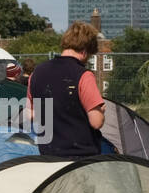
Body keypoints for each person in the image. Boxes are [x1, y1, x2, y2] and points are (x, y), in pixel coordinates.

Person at [26, 21, 106, 157]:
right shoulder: (83, 75)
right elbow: (96, 122)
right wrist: (100, 110)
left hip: (48, 156)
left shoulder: (36, 73)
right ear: (85, 51)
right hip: (79, 158)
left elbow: (30, 114)